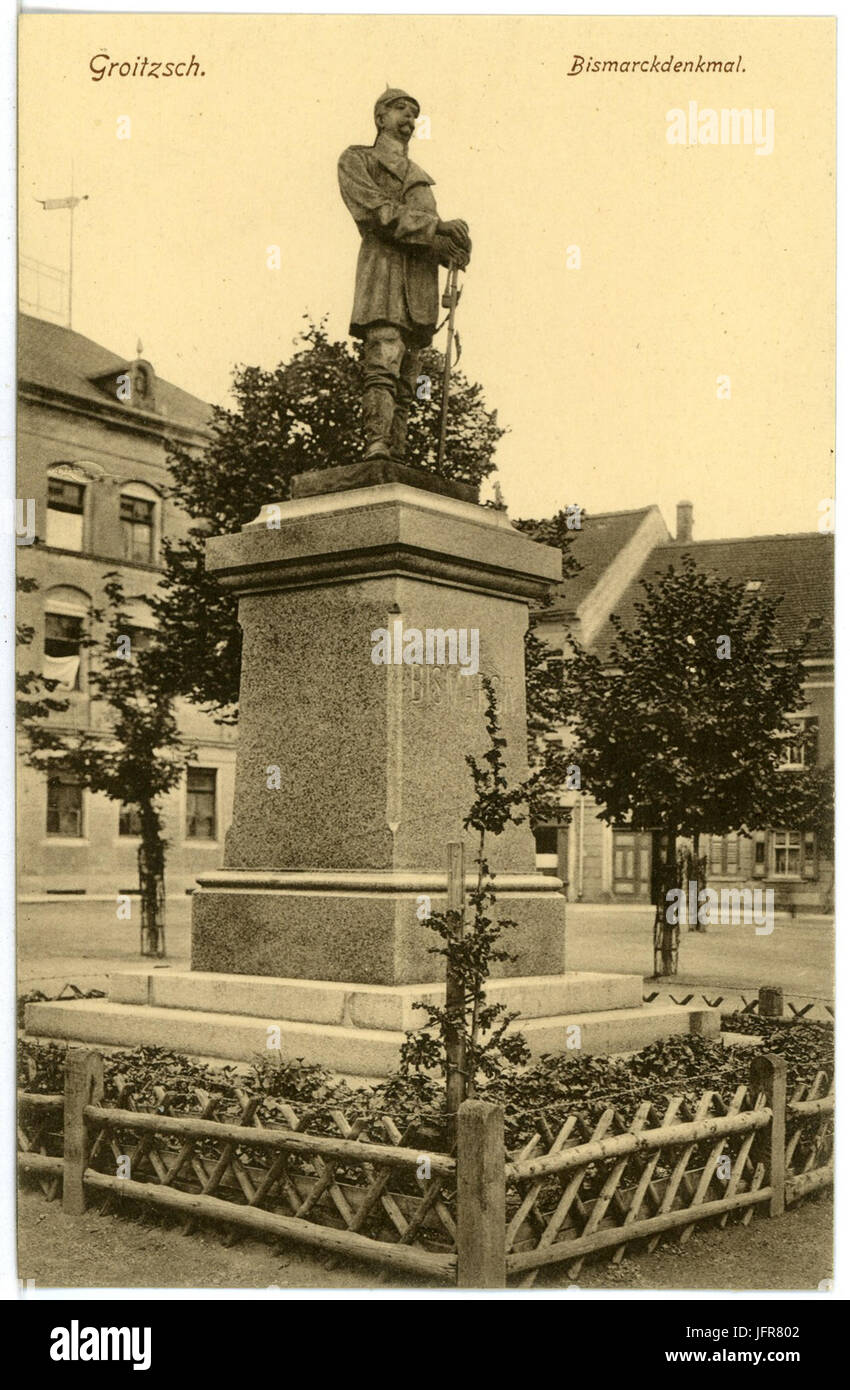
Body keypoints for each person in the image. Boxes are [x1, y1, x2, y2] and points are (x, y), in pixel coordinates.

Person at [338, 88, 472, 462]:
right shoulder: (357, 160)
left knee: (409, 378)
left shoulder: (420, 180)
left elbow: (434, 237)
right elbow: (376, 211)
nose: (410, 118)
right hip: (384, 277)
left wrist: (456, 249)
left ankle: (396, 452)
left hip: (420, 287)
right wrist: (437, 227)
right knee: (383, 362)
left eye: (414, 113)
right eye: (401, 109)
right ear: (380, 118)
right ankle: (377, 444)